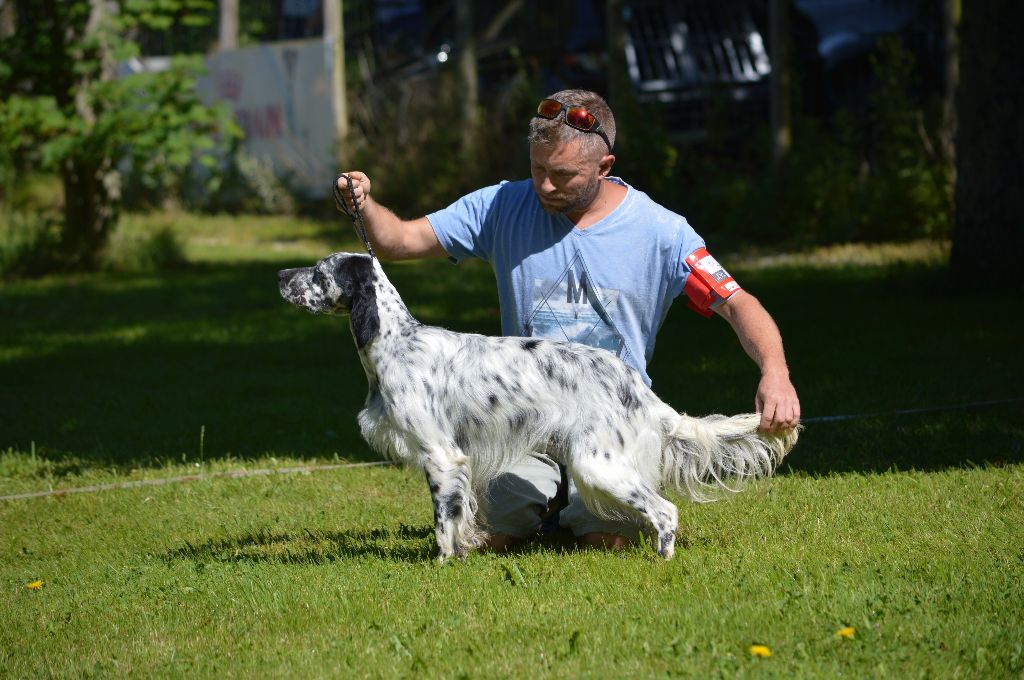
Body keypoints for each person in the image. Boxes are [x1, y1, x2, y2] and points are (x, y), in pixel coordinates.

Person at [335, 89, 800, 552]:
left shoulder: (662, 231)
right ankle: (550, 501)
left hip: (609, 416)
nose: (545, 186)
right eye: (537, 169)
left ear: (605, 166)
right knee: (491, 538)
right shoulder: (501, 206)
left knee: (604, 542)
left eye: (563, 175)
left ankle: (577, 507)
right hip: (517, 421)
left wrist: (775, 373)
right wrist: (363, 204)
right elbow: (398, 241)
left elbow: (737, 302)